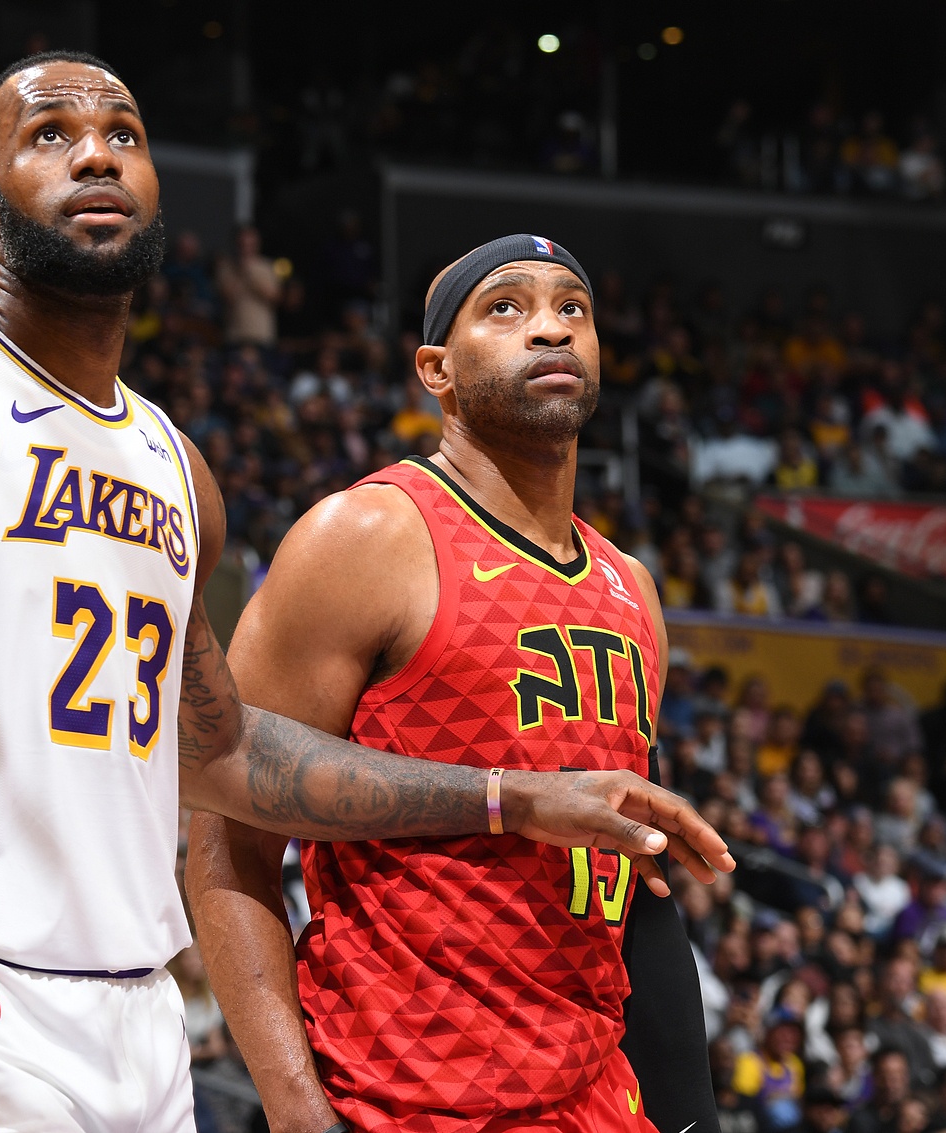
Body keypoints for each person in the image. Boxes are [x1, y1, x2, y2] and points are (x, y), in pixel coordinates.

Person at [0, 53, 731, 1133]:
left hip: (135, 1017)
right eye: (51, 133)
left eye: (122, 134)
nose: (95, 153)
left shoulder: (174, 466)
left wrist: (512, 798)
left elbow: (224, 754)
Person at [187, 234, 721, 1133]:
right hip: (407, 1097)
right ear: (436, 369)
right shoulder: (366, 537)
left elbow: (644, 893)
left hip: (597, 1098)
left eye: (573, 308)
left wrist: (690, 1116)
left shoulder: (632, 587)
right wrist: (295, 1109)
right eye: (505, 307)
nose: (549, 328)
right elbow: (226, 841)